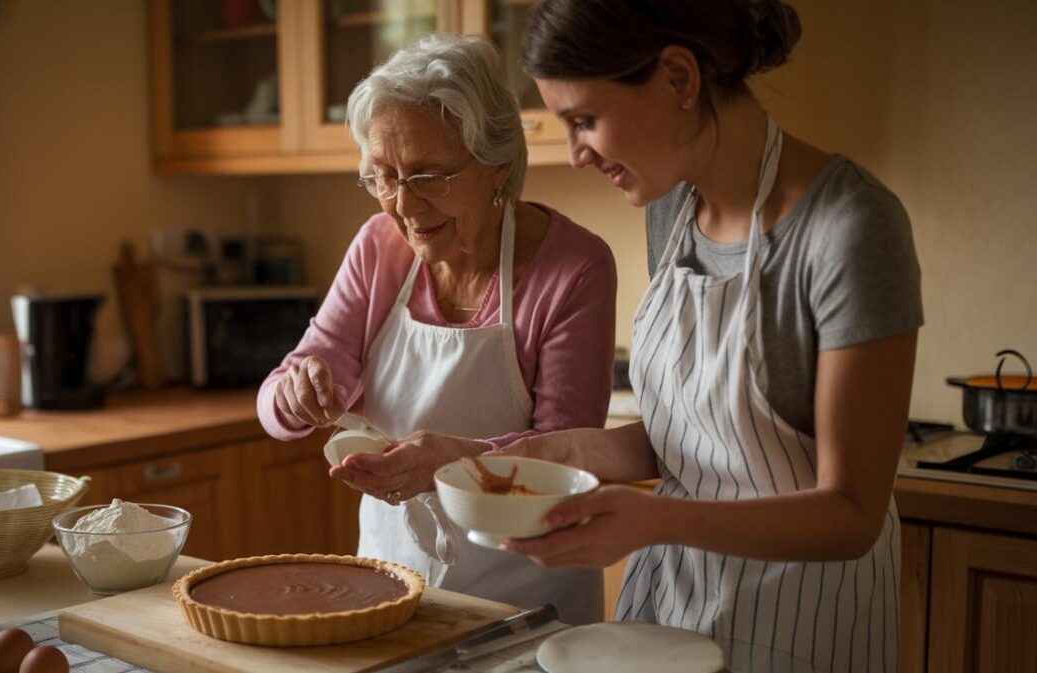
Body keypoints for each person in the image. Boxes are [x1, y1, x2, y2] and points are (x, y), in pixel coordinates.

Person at [500, 0, 923, 669]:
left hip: (803, 625)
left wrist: (654, 521)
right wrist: (527, 456)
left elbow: (852, 513)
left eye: (585, 119)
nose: (576, 153)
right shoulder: (670, 205)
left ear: (678, 79)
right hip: (667, 614)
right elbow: (695, 439)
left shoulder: (851, 226)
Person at [256, 33, 617, 625]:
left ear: (497, 162)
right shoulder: (378, 248)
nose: (404, 204)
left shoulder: (573, 267)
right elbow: (284, 392)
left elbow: (564, 459)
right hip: (391, 589)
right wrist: (297, 396)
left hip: (529, 601)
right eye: (384, 176)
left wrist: (453, 465)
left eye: (428, 175)